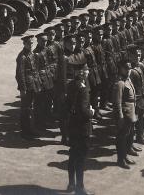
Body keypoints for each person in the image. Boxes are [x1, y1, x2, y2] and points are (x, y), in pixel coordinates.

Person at [64, 62, 94, 195]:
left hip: (72, 125)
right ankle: (80, 187)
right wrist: (91, 112)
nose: (87, 72)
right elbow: (83, 110)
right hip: (82, 127)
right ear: (82, 73)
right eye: (86, 70)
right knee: (81, 157)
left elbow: (65, 106)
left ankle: (71, 184)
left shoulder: (70, 85)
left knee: (73, 154)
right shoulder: (83, 88)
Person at [113, 59, 137, 169]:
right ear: (121, 69)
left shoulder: (128, 80)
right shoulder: (120, 83)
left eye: (130, 68)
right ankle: (121, 159)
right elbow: (117, 102)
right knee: (121, 138)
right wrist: (120, 117)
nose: (128, 70)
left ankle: (125, 156)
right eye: (126, 68)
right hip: (125, 114)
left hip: (131, 112)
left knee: (128, 136)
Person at [16, 35, 40, 138]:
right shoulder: (22, 57)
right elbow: (20, 74)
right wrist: (23, 89)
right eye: (29, 43)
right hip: (27, 86)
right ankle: (25, 132)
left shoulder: (31, 54)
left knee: (30, 108)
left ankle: (30, 129)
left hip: (33, 84)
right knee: (26, 110)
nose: (31, 45)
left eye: (32, 43)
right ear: (24, 44)